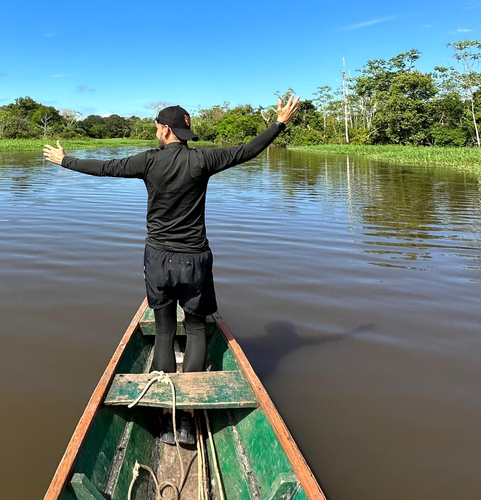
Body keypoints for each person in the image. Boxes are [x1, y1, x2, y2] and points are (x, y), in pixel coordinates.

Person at [43, 94, 300, 443]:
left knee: (164, 332)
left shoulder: (148, 162)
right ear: (184, 132)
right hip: (194, 260)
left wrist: (64, 161)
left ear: (165, 131)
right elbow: (247, 150)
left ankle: (167, 416)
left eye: (157, 129)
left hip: (159, 260)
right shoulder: (203, 160)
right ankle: (188, 419)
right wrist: (279, 124)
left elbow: (106, 167)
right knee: (195, 330)